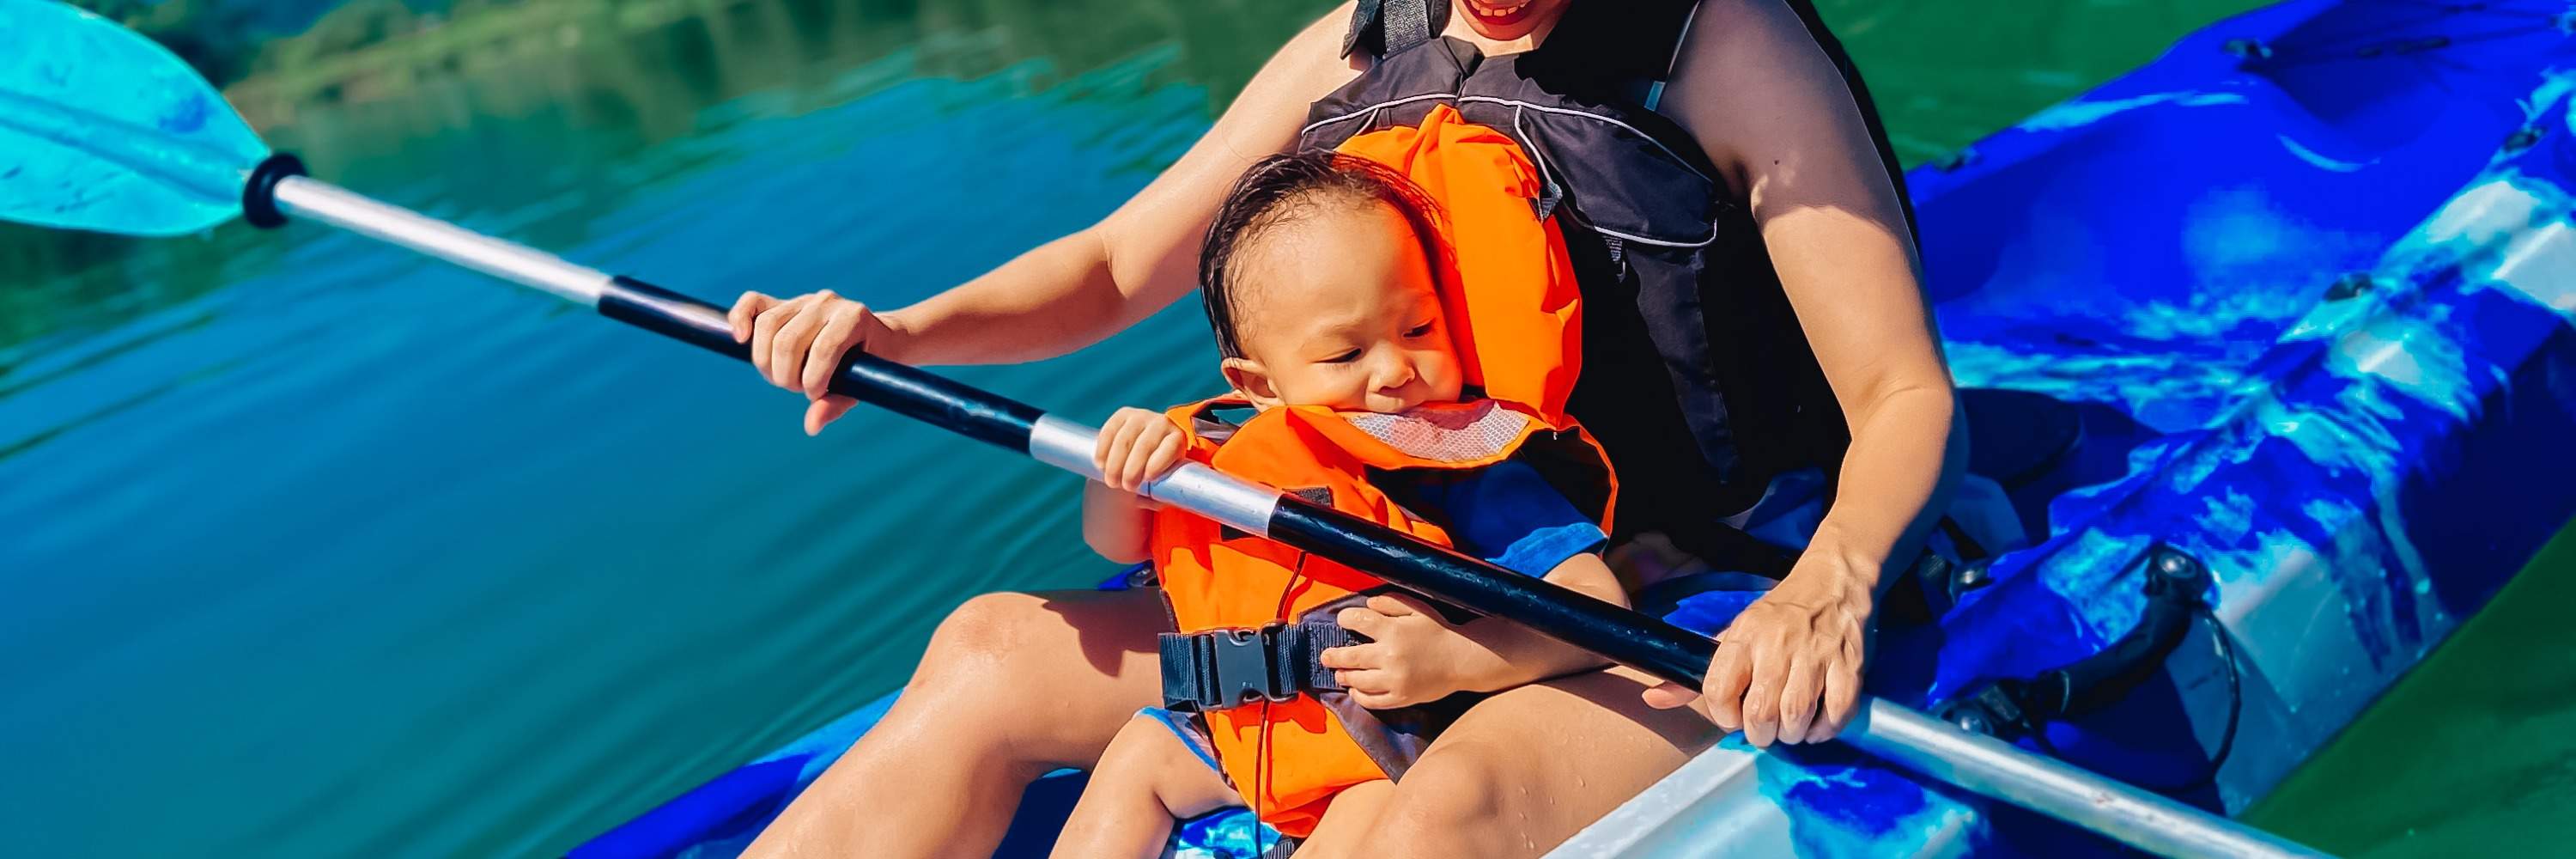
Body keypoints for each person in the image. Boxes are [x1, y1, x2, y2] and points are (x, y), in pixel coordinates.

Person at [732, 1, 1963, 855]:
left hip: (1664, 599)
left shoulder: (1727, 46)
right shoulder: (1362, 42)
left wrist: (1833, 586)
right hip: (1392, 567)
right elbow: (1113, 267)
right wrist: (903, 332)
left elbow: (1904, 396)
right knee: (990, 654)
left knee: (1446, 806)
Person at [1054, 150, 1625, 857]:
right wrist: (1121, 474)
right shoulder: (1215, 455)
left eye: (1419, 330)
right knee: (1140, 753)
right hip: (1244, 733)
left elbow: (1598, 606)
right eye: (1345, 355)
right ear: (1259, 387)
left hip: (1383, 748)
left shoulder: (1456, 468)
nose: (1394, 371)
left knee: (1371, 806)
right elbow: (1115, 543)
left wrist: (1458, 658)